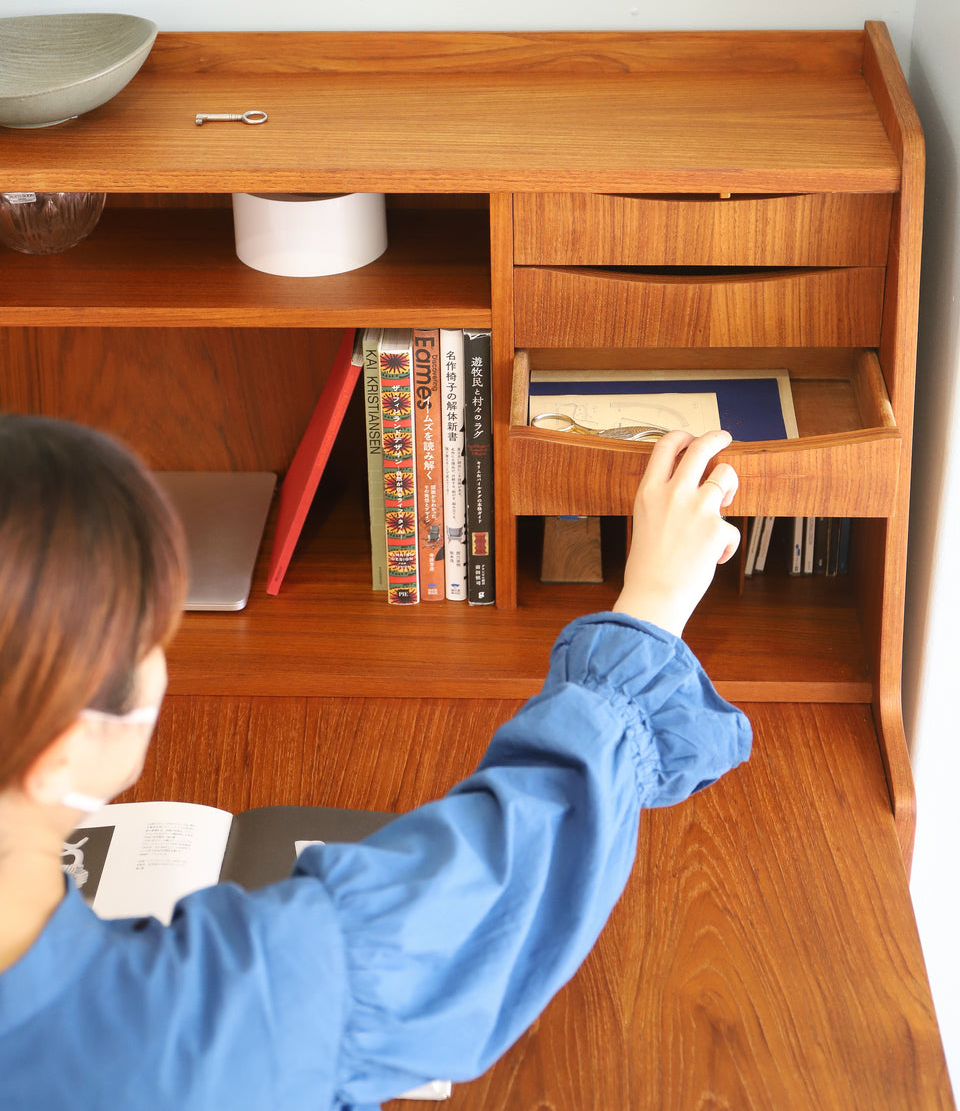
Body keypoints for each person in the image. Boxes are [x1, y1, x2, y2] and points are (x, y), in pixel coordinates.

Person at [0, 413, 751, 1110]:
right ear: (60, 749)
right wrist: (653, 601)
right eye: (146, 642)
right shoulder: (202, 1021)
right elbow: (496, 883)